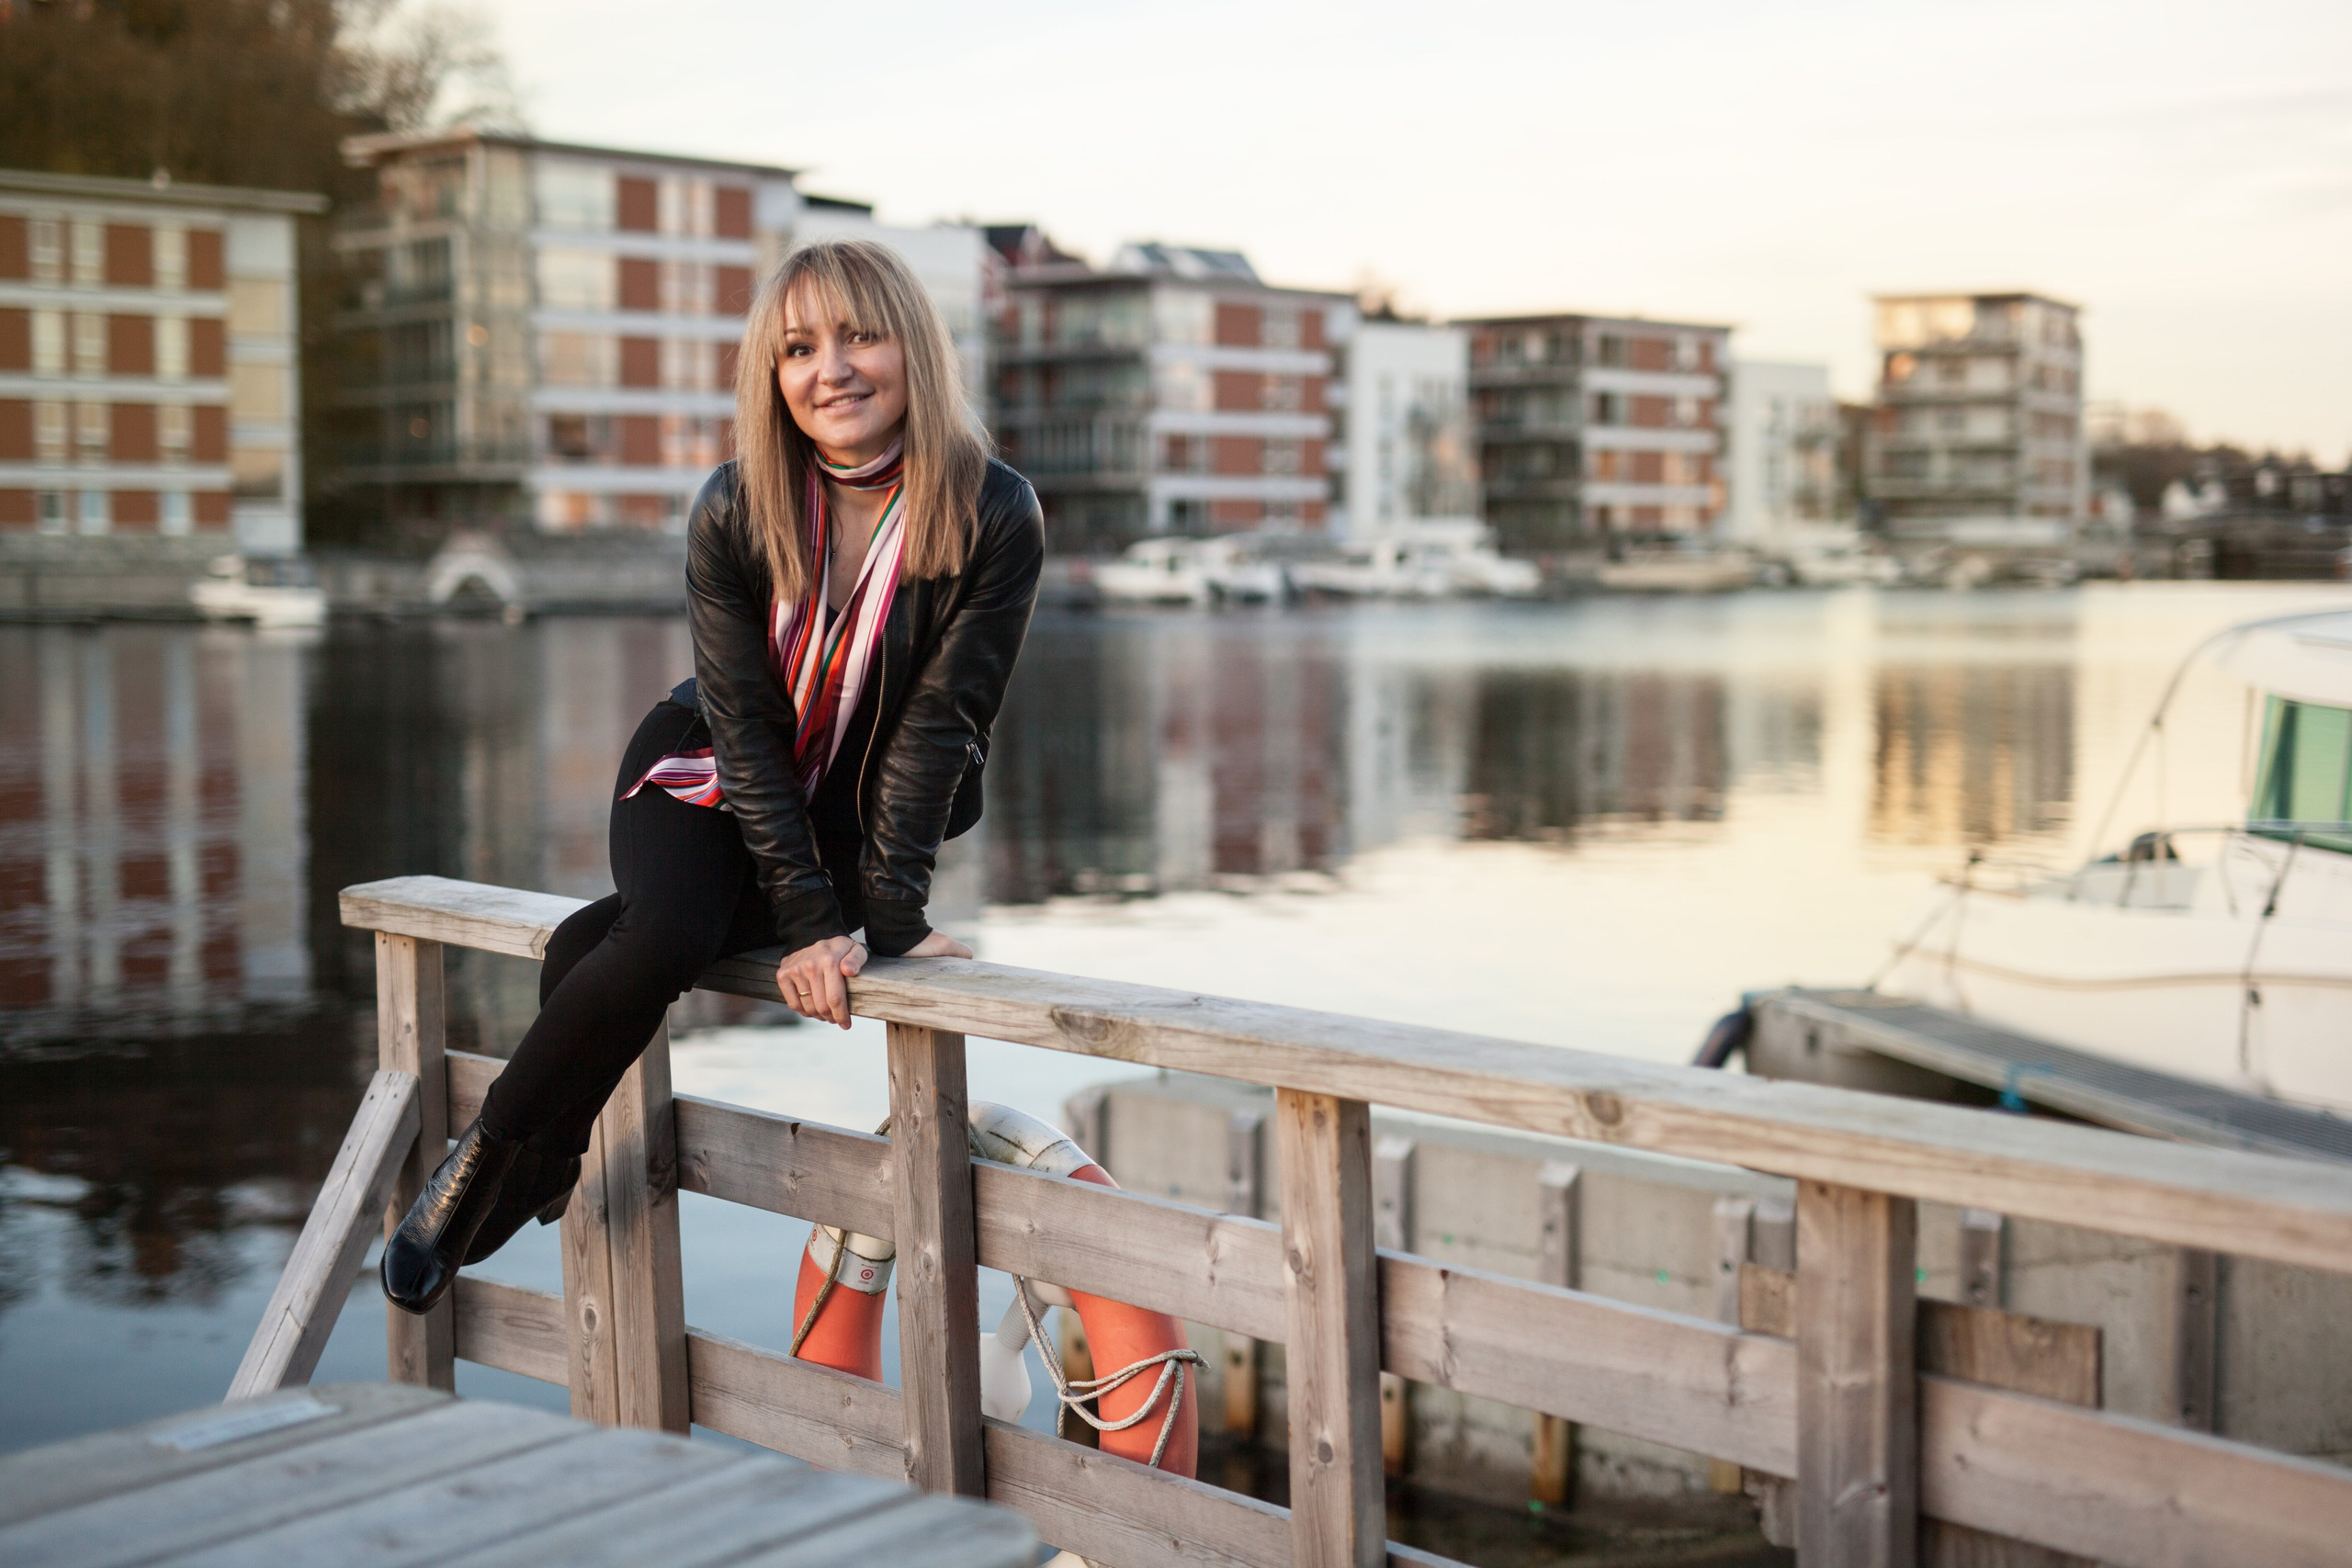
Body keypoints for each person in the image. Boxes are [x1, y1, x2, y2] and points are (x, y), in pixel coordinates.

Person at [381, 238, 1045, 1314]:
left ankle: (548, 1160)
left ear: (913, 350)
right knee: (675, 928)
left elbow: (939, 723)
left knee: (606, 940)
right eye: (798, 347)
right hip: (705, 766)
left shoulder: (994, 512)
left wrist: (883, 913)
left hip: (855, 805)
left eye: (859, 335)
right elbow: (739, 719)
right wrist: (808, 921)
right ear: (772, 376)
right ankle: (481, 1163)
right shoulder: (736, 502)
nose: (829, 368)